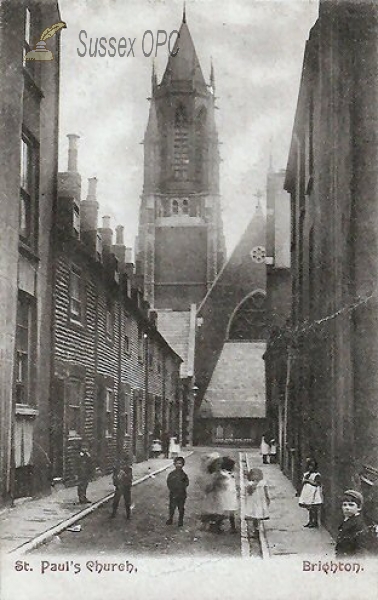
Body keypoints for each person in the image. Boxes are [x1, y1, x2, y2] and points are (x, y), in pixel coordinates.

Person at [335, 490, 373, 557]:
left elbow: (360, 550)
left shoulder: (358, 524)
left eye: (351, 505)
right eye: (344, 505)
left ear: (359, 508)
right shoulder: (346, 520)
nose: (347, 508)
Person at [245, 467, 270, 538]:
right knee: (251, 516)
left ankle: (256, 529)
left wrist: (267, 498)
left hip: (260, 501)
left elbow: (266, 492)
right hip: (252, 502)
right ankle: (250, 531)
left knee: (258, 516)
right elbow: (249, 492)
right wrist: (253, 486)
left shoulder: (263, 483)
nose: (256, 477)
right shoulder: (250, 484)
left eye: (257, 475)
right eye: (254, 475)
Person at [298, 457, 323, 528]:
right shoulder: (307, 474)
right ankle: (310, 521)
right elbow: (303, 481)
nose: (310, 468)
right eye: (309, 466)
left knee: (313, 509)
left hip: (314, 494)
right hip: (308, 493)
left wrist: (308, 481)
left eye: (312, 466)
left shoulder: (317, 475)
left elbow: (316, 483)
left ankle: (314, 522)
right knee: (309, 509)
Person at [166, 456, 189, 527]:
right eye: (177, 463)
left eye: (180, 463)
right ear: (174, 464)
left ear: (183, 465)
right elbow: (168, 482)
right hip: (173, 493)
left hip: (181, 494)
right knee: (172, 507)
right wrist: (172, 489)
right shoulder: (171, 474)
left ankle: (180, 520)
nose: (178, 465)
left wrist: (181, 488)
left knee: (181, 507)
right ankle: (170, 518)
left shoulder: (184, 475)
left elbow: (187, 483)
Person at [218, 456, 238, 533]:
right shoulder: (223, 475)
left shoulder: (231, 474)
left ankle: (233, 527)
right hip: (225, 494)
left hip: (231, 494)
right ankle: (217, 525)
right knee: (224, 510)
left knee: (230, 511)